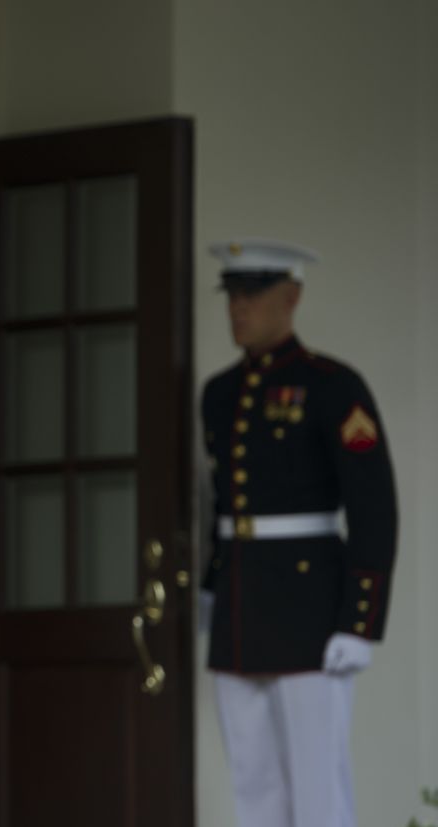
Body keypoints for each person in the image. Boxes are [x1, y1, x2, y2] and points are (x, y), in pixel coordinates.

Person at [199, 239, 397, 827]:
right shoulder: (220, 393)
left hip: (312, 605)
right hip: (240, 599)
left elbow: (374, 507)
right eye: (233, 295)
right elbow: (222, 504)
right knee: (252, 781)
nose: (239, 308)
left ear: (292, 296)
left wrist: (360, 621)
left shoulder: (333, 386)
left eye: (253, 294)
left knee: (318, 784)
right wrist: (213, 587)